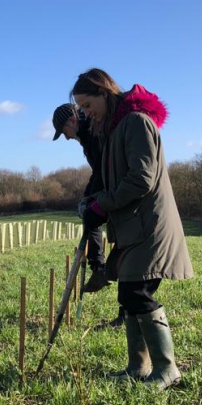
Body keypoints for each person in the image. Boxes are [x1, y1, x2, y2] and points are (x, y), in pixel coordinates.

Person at [72, 69, 193, 390]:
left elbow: (141, 178)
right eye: (81, 108)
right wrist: (94, 201)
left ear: (104, 92)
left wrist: (104, 204)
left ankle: (168, 371)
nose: (86, 113)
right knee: (129, 294)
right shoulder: (113, 130)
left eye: (87, 104)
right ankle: (139, 367)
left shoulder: (137, 122)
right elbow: (109, 177)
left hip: (150, 225)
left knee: (137, 293)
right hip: (131, 227)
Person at [52, 104, 125, 328]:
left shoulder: (93, 133)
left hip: (119, 193)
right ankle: (101, 271)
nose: (65, 138)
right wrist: (87, 197)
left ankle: (99, 269)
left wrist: (93, 201)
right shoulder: (88, 135)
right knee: (122, 251)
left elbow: (106, 168)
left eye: (63, 131)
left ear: (71, 122)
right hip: (112, 189)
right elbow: (97, 170)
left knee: (92, 219)